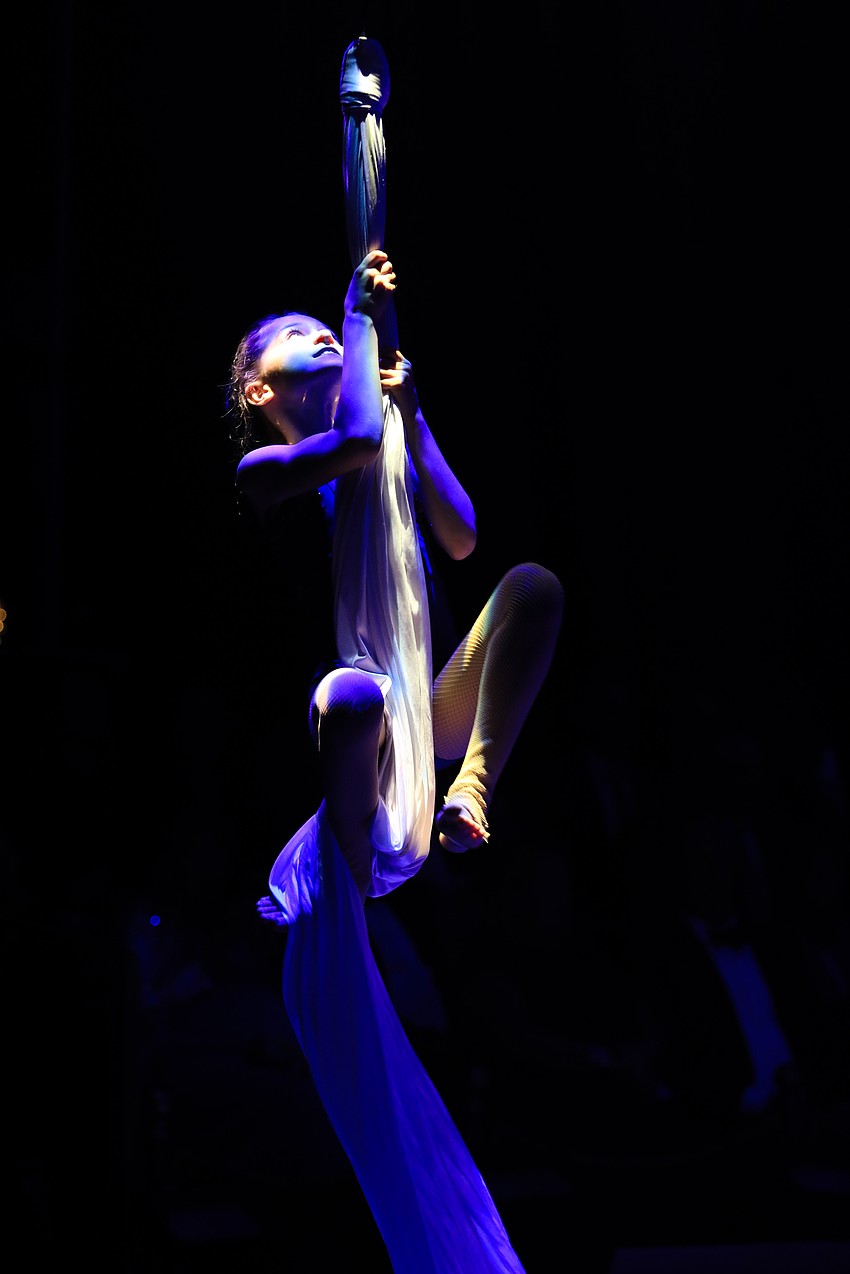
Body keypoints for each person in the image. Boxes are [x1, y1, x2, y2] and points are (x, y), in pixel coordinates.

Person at [227, 247, 564, 1272]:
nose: (323, 337)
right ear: (258, 389)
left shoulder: (383, 426)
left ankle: (474, 787)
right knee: (349, 692)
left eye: (326, 328)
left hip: (427, 712)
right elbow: (352, 442)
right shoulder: (270, 468)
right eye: (301, 335)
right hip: (360, 733)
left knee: (533, 587)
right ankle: (349, 848)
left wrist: (415, 417)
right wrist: (359, 320)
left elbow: (460, 538)